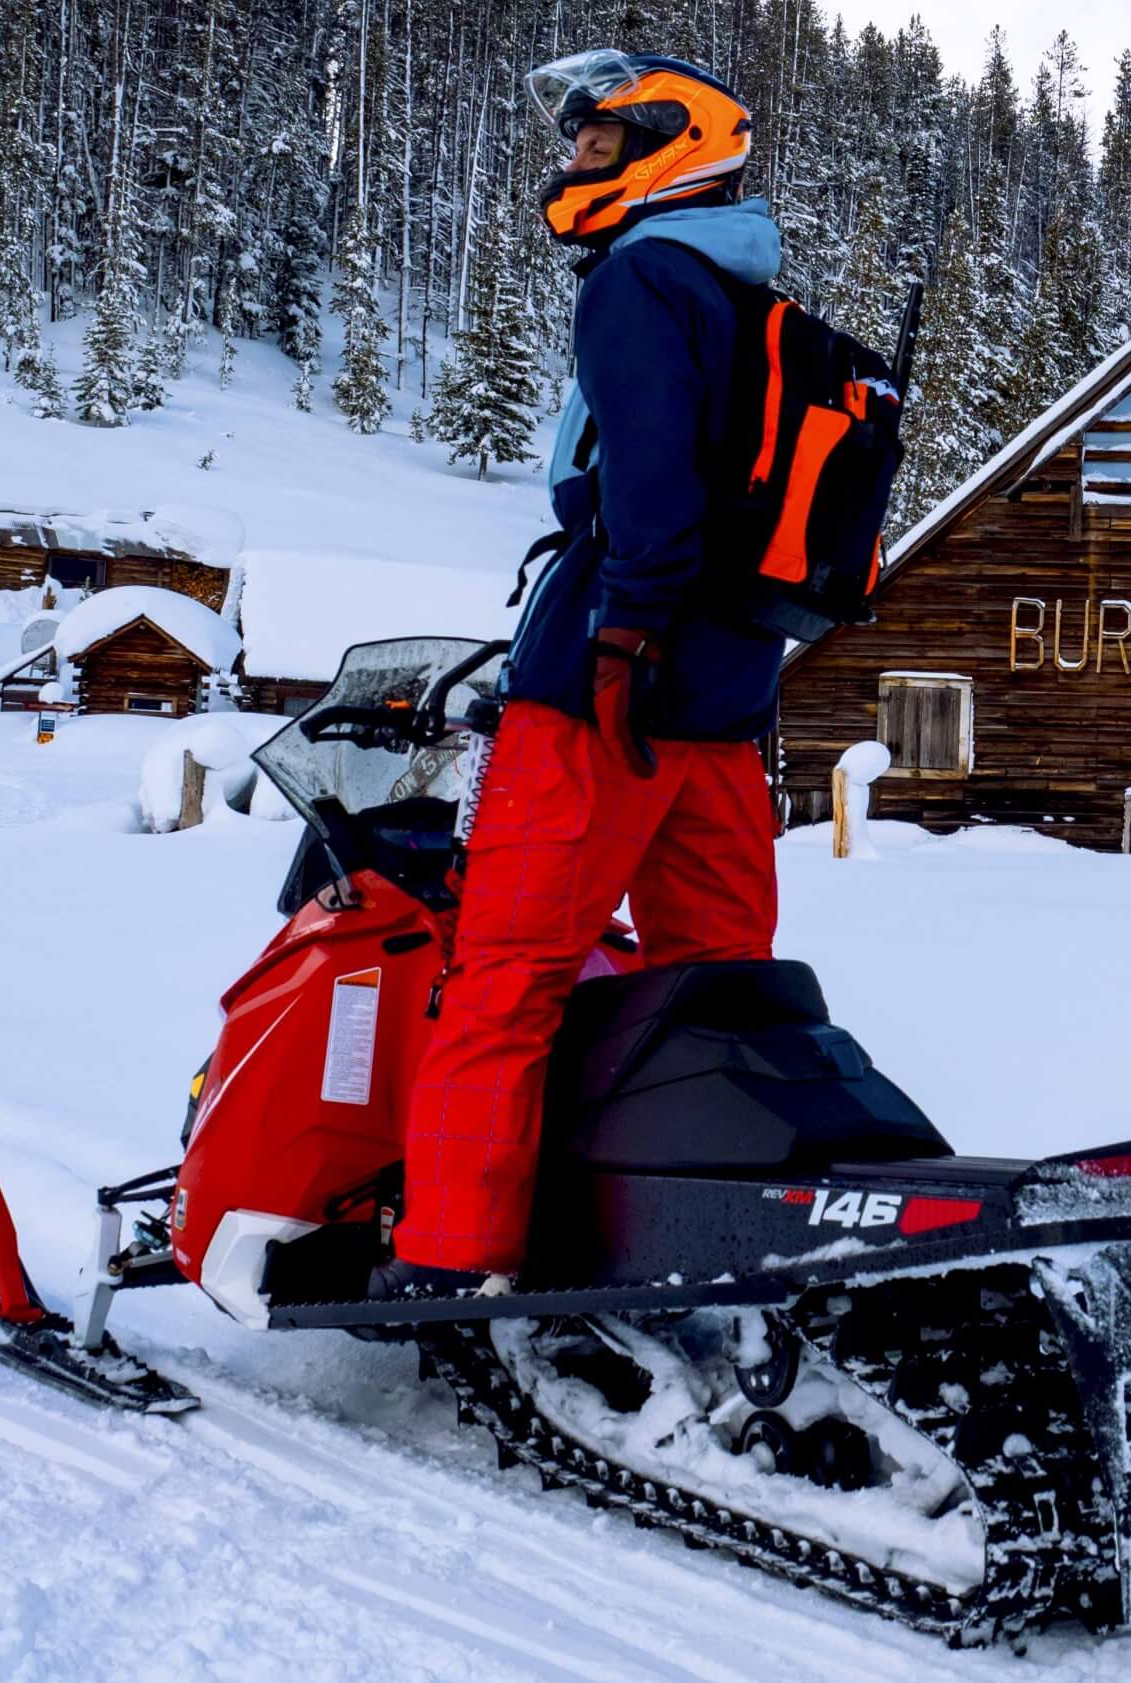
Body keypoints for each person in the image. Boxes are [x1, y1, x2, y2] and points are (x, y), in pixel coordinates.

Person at [376, 51, 788, 1295]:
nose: (571, 169)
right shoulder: (756, 305)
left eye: (596, 147)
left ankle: (453, 1254)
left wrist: (620, 637)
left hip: (609, 687)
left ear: (671, 144)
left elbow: (648, 487)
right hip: (725, 698)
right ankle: (704, 1241)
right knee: (713, 988)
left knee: (502, 971)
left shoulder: (638, 283)